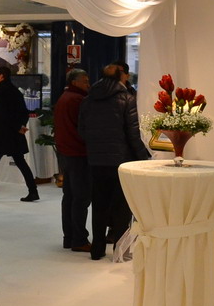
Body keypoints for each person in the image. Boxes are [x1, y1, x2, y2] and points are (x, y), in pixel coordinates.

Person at [78, 63, 151, 260]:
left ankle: (97, 249)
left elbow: (82, 130)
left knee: (99, 204)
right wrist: (142, 158)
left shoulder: (88, 100)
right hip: (121, 160)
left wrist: (95, 146)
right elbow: (133, 133)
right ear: (121, 76)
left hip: (96, 160)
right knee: (121, 206)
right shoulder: (126, 99)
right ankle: (120, 251)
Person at [0, 66, 38, 202]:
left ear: (2, 76)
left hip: (2, 134)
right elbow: (23, 111)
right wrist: (20, 126)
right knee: (19, 161)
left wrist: (16, 127)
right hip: (12, 135)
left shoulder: (2, 92)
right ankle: (33, 190)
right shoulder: (14, 91)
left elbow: (3, 114)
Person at [53, 68, 92, 252]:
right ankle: (79, 239)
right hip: (78, 153)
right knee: (81, 197)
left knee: (69, 196)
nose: (88, 84)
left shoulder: (64, 97)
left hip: (66, 153)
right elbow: (84, 128)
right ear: (75, 82)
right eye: (85, 81)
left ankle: (69, 237)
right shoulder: (78, 100)